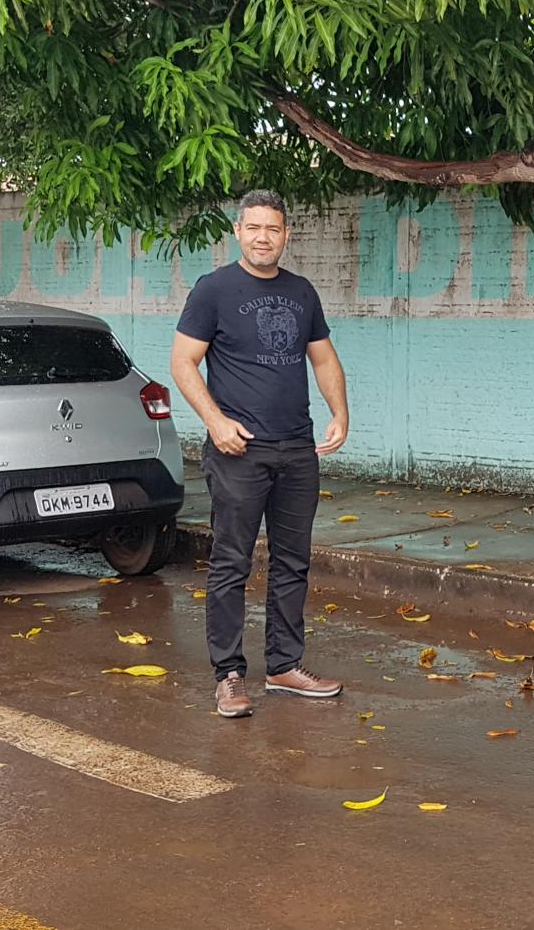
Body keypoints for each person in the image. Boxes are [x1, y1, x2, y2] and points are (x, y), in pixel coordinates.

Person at [172, 189, 350, 718]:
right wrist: (215, 421)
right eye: (254, 228)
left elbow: (323, 359)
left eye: (272, 229)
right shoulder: (214, 290)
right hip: (238, 450)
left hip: (296, 447)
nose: (263, 238)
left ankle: (284, 665)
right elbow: (184, 363)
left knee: (293, 562)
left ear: (286, 234)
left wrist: (340, 412)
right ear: (238, 232)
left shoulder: (301, 292)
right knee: (231, 562)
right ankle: (228, 675)